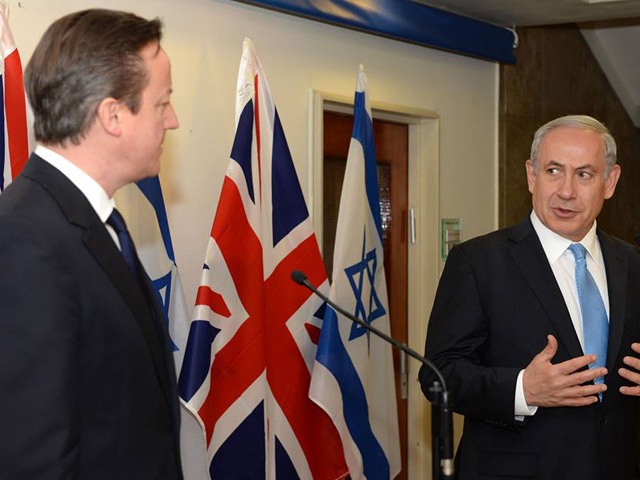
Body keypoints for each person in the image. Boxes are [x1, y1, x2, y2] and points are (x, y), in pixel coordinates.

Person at [0, 9, 182, 479]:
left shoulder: (98, 220)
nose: (174, 120)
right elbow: (35, 459)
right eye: (162, 104)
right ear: (113, 115)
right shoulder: (26, 240)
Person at [420, 115, 640, 479]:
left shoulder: (631, 263)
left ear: (610, 181)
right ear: (531, 175)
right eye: (554, 171)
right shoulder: (478, 262)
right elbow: (438, 375)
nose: (566, 190)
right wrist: (523, 389)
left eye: (584, 174)